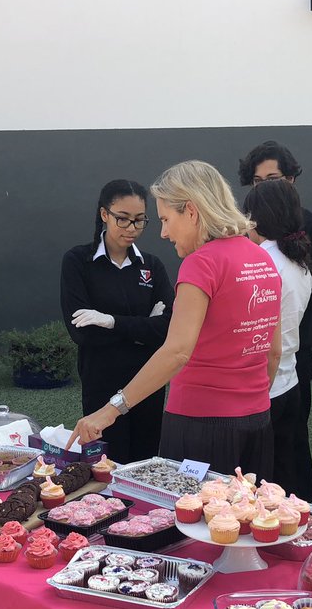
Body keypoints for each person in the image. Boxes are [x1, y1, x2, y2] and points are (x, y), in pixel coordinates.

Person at [68, 160, 282, 479]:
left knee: (189, 512)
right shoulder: (262, 258)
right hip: (257, 420)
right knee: (243, 509)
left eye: (167, 219)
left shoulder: (201, 263)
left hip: (200, 424)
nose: (164, 233)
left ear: (191, 211)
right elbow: (274, 351)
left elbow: (177, 351)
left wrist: (110, 410)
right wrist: (250, 402)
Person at [237, 141, 312, 500]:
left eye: (273, 179)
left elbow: (270, 345)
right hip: (284, 369)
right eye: (257, 181)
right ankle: (299, 508)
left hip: (274, 372)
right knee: (286, 454)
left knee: (272, 463)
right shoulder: (296, 262)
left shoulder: (267, 263)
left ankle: (292, 509)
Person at [61, 179, 173, 463]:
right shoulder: (78, 261)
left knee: (146, 463)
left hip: (147, 382)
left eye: (139, 220)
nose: (132, 228)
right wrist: (143, 327)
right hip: (101, 382)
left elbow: (168, 329)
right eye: (122, 219)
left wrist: (110, 321)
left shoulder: (151, 266)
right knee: (106, 465)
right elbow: (83, 334)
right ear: (104, 214)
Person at [242, 178, 312, 497]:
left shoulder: (262, 262)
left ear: (255, 218)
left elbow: (263, 340)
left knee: (258, 484)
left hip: (263, 384)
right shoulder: (299, 263)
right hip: (288, 380)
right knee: (284, 476)